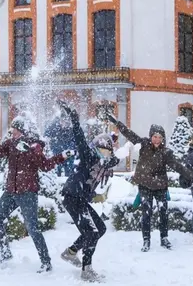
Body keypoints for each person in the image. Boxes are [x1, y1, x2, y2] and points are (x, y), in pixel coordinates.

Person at [103, 111, 193, 251]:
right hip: (145, 185)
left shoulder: (166, 152)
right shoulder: (143, 144)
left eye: (160, 137)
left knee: (163, 212)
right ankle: (146, 240)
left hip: (160, 186)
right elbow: (128, 133)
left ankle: (164, 238)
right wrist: (116, 122)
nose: (157, 140)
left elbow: (178, 166)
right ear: (150, 136)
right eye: (155, 136)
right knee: (146, 213)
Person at [0, 116, 69, 273]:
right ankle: (5, 252)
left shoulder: (34, 145)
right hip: (11, 191)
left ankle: (46, 262)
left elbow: (45, 165)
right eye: (12, 129)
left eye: (15, 130)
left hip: (27, 192)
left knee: (32, 228)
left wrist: (60, 157)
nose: (12, 132)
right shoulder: (11, 143)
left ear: (22, 131)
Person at [57, 102, 119, 282]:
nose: (104, 155)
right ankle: (87, 269)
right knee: (91, 232)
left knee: (101, 228)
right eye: (102, 151)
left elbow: (113, 159)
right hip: (72, 196)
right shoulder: (88, 156)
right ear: (95, 149)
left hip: (81, 200)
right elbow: (80, 138)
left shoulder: (104, 162)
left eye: (106, 152)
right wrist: (74, 119)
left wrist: (114, 145)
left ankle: (71, 252)